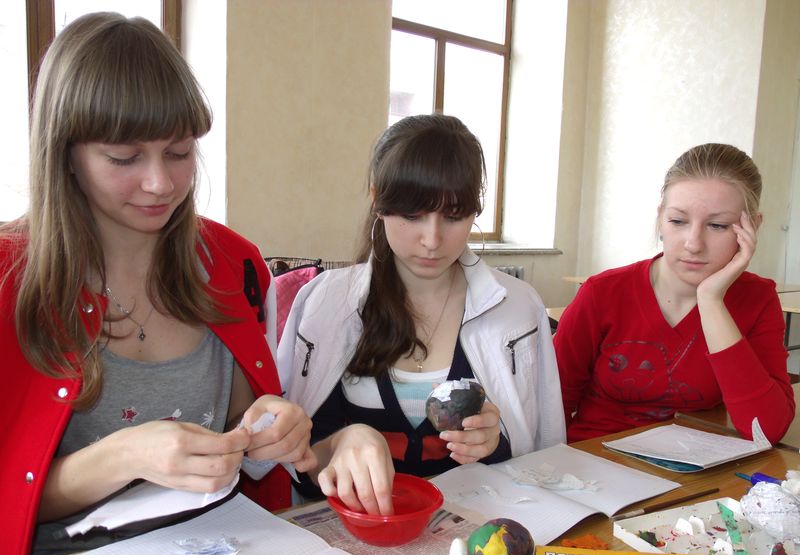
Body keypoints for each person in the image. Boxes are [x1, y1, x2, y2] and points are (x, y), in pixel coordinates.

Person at [0, 13, 315, 555]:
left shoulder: (231, 263)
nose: (160, 184)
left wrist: (269, 427)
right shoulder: (10, 279)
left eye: (179, 152)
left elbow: (244, 426)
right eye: (124, 157)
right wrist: (119, 457)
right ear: (64, 153)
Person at [278, 114, 565, 516]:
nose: (432, 240)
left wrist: (494, 443)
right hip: (353, 533)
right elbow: (296, 462)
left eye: (454, 216)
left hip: (477, 530)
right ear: (377, 200)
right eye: (412, 215)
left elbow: (544, 452)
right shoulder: (325, 303)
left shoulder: (518, 308)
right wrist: (342, 442)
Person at [554, 143, 795, 443]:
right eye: (678, 221)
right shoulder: (602, 293)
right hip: (593, 458)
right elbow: (549, 405)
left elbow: (766, 431)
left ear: (752, 227)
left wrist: (711, 301)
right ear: (660, 218)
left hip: (695, 465)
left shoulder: (757, 298)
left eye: (718, 225)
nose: (693, 243)